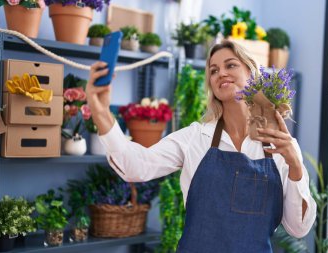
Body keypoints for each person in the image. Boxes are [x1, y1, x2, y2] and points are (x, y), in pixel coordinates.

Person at [86, 40, 316, 253]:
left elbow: (298, 228)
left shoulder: (281, 145)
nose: (221, 73)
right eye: (213, 70)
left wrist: (295, 165)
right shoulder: (196, 137)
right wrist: (100, 112)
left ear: (251, 73)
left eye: (230, 65)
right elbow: (137, 166)